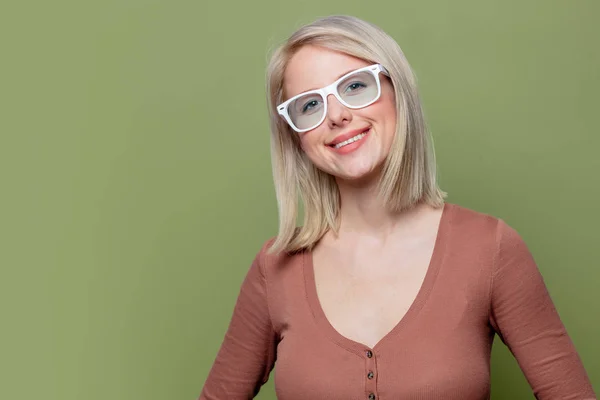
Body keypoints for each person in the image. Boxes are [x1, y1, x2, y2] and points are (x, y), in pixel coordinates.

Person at [199, 15, 595, 400]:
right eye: (309, 106)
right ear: (295, 136)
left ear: (397, 91)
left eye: (355, 86)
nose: (336, 115)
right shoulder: (275, 271)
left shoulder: (490, 249)